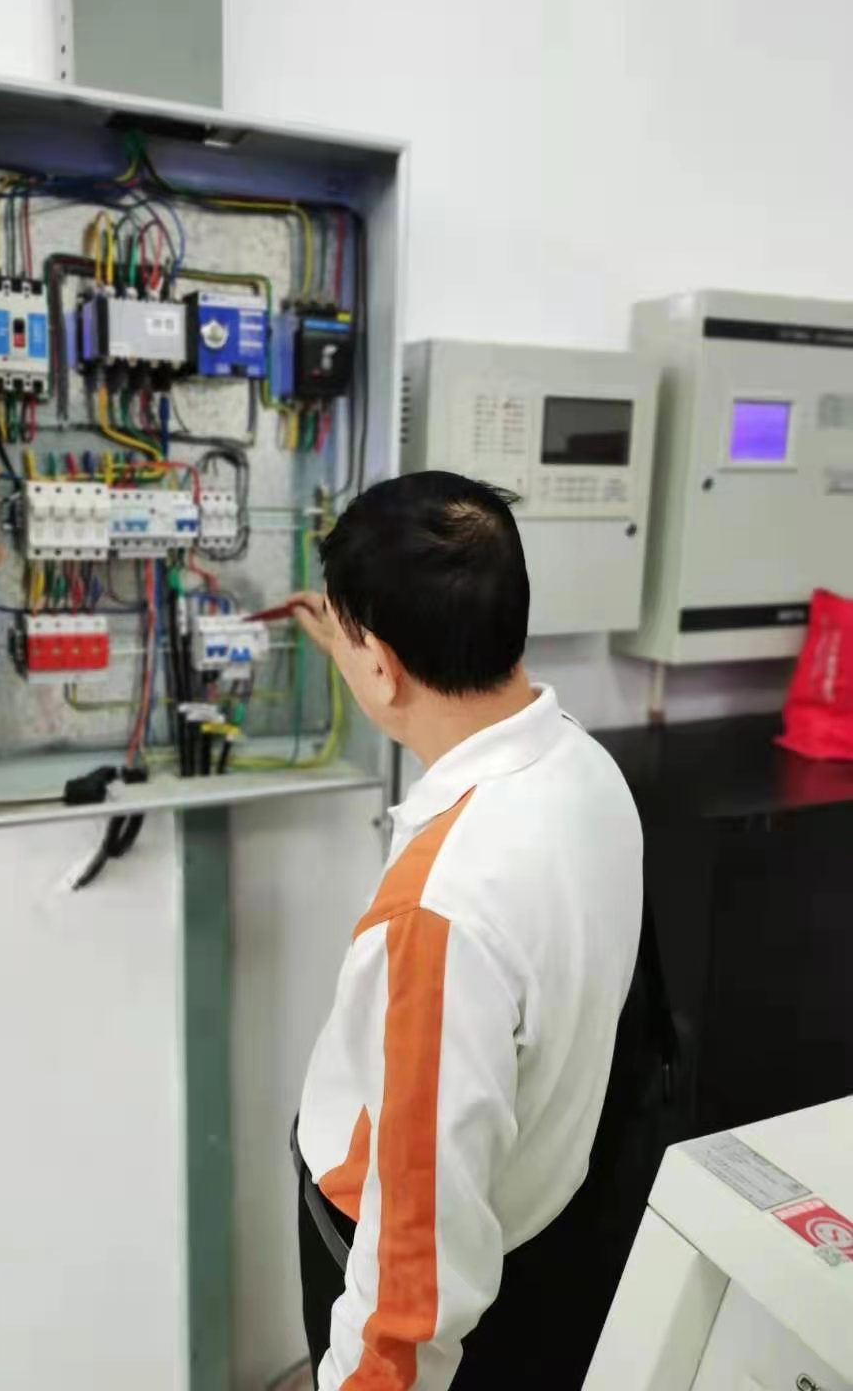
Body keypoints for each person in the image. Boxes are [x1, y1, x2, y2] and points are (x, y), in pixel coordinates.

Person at [288, 470, 645, 1390]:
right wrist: (358, 638)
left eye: (352, 640)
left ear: (383, 667)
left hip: (403, 1259)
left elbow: (413, 1285)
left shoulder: (439, 911)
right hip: (545, 1227)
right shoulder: (587, 767)